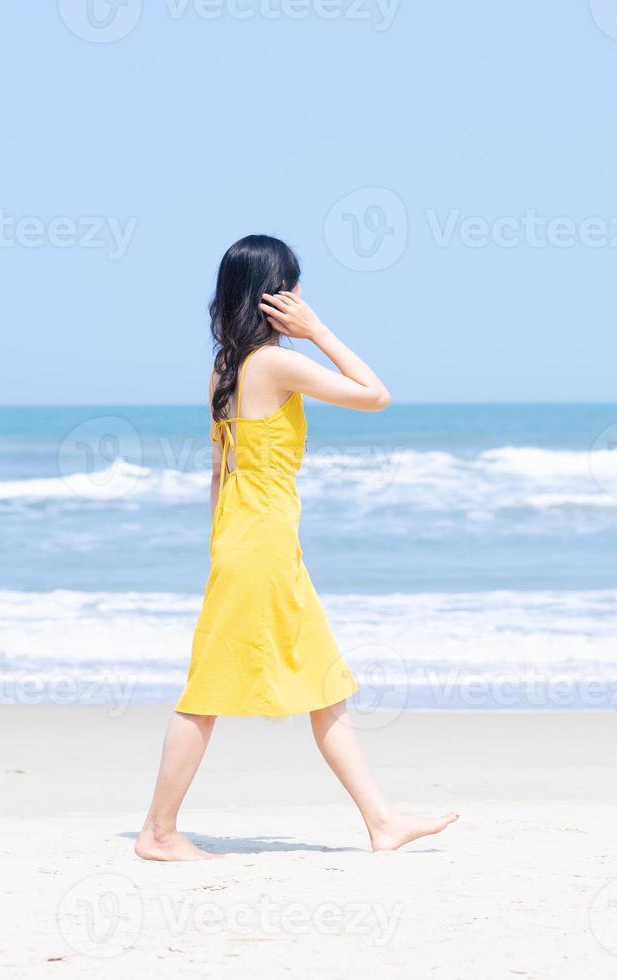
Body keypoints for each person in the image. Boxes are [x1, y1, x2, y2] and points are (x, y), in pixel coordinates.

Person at [135, 235, 458, 861]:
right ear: (277, 296)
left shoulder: (226, 369)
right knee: (206, 691)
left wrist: (222, 547)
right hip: (260, 546)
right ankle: (158, 832)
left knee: (323, 681)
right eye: (298, 286)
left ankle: (381, 821)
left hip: (253, 542)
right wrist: (320, 332)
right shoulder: (272, 364)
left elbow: (218, 471)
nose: (305, 296)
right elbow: (374, 393)